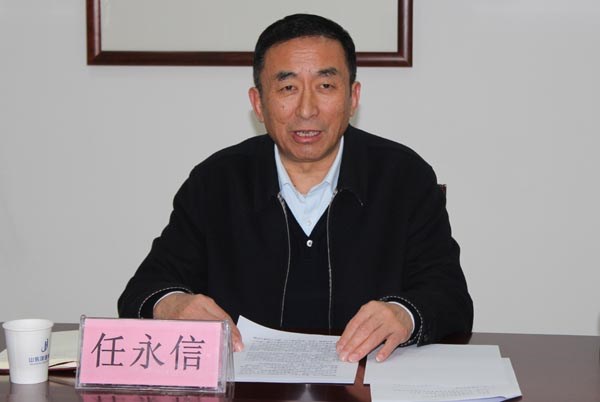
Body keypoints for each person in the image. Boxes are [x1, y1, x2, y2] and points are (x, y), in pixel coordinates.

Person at [118, 13, 473, 363]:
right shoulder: (216, 181)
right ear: (258, 103)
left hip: (365, 383)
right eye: (287, 88)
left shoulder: (404, 177)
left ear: (353, 97)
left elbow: (450, 297)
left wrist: (403, 314)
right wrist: (173, 304)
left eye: (325, 86)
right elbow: (145, 289)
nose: (306, 110)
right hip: (248, 388)